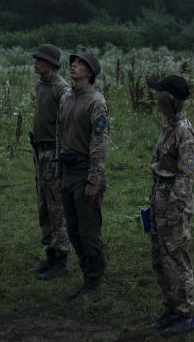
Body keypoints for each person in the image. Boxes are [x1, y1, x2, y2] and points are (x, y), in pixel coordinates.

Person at [146, 75, 194, 337]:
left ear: (171, 99)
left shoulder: (184, 132)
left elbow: (185, 177)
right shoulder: (169, 126)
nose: (156, 98)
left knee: (175, 257)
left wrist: (174, 211)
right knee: (160, 257)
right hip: (160, 196)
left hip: (173, 201)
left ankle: (185, 314)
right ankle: (172, 308)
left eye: (160, 93)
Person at [56, 52, 109, 300]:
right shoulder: (67, 97)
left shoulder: (96, 102)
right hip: (67, 171)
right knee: (74, 231)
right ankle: (87, 276)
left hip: (85, 172)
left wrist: (93, 180)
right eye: (73, 62)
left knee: (89, 232)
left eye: (80, 64)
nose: (73, 65)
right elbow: (60, 135)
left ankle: (95, 283)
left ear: (90, 72)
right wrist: (58, 171)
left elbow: (99, 142)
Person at [28, 44, 71, 281]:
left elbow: (66, 126)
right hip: (41, 151)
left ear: (52, 64)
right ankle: (50, 256)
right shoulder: (41, 85)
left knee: (57, 207)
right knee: (44, 205)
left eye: (40, 60)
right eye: (35, 59)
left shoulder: (61, 89)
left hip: (54, 154)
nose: (35, 62)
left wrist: (59, 156)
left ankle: (61, 260)